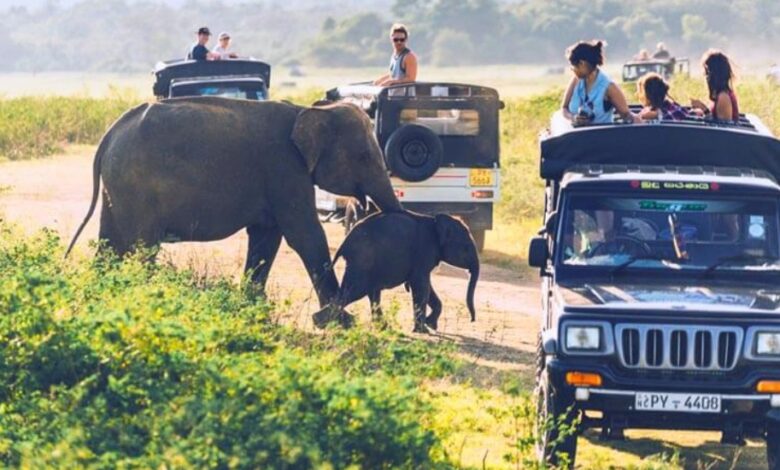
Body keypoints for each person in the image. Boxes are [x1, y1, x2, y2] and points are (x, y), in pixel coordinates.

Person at [562, 40, 635, 126]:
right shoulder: (576, 80)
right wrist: (573, 118)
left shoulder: (609, 87)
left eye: (573, 67)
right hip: (575, 136)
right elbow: (564, 108)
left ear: (582, 63)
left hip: (600, 137)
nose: (572, 70)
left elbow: (627, 115)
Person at [690, 49, 739, 122]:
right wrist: (701, 112)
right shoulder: (722, 94)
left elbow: (722, 127)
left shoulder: (723, 97)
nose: (705, 76)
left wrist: (704, 109)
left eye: (707, 72)